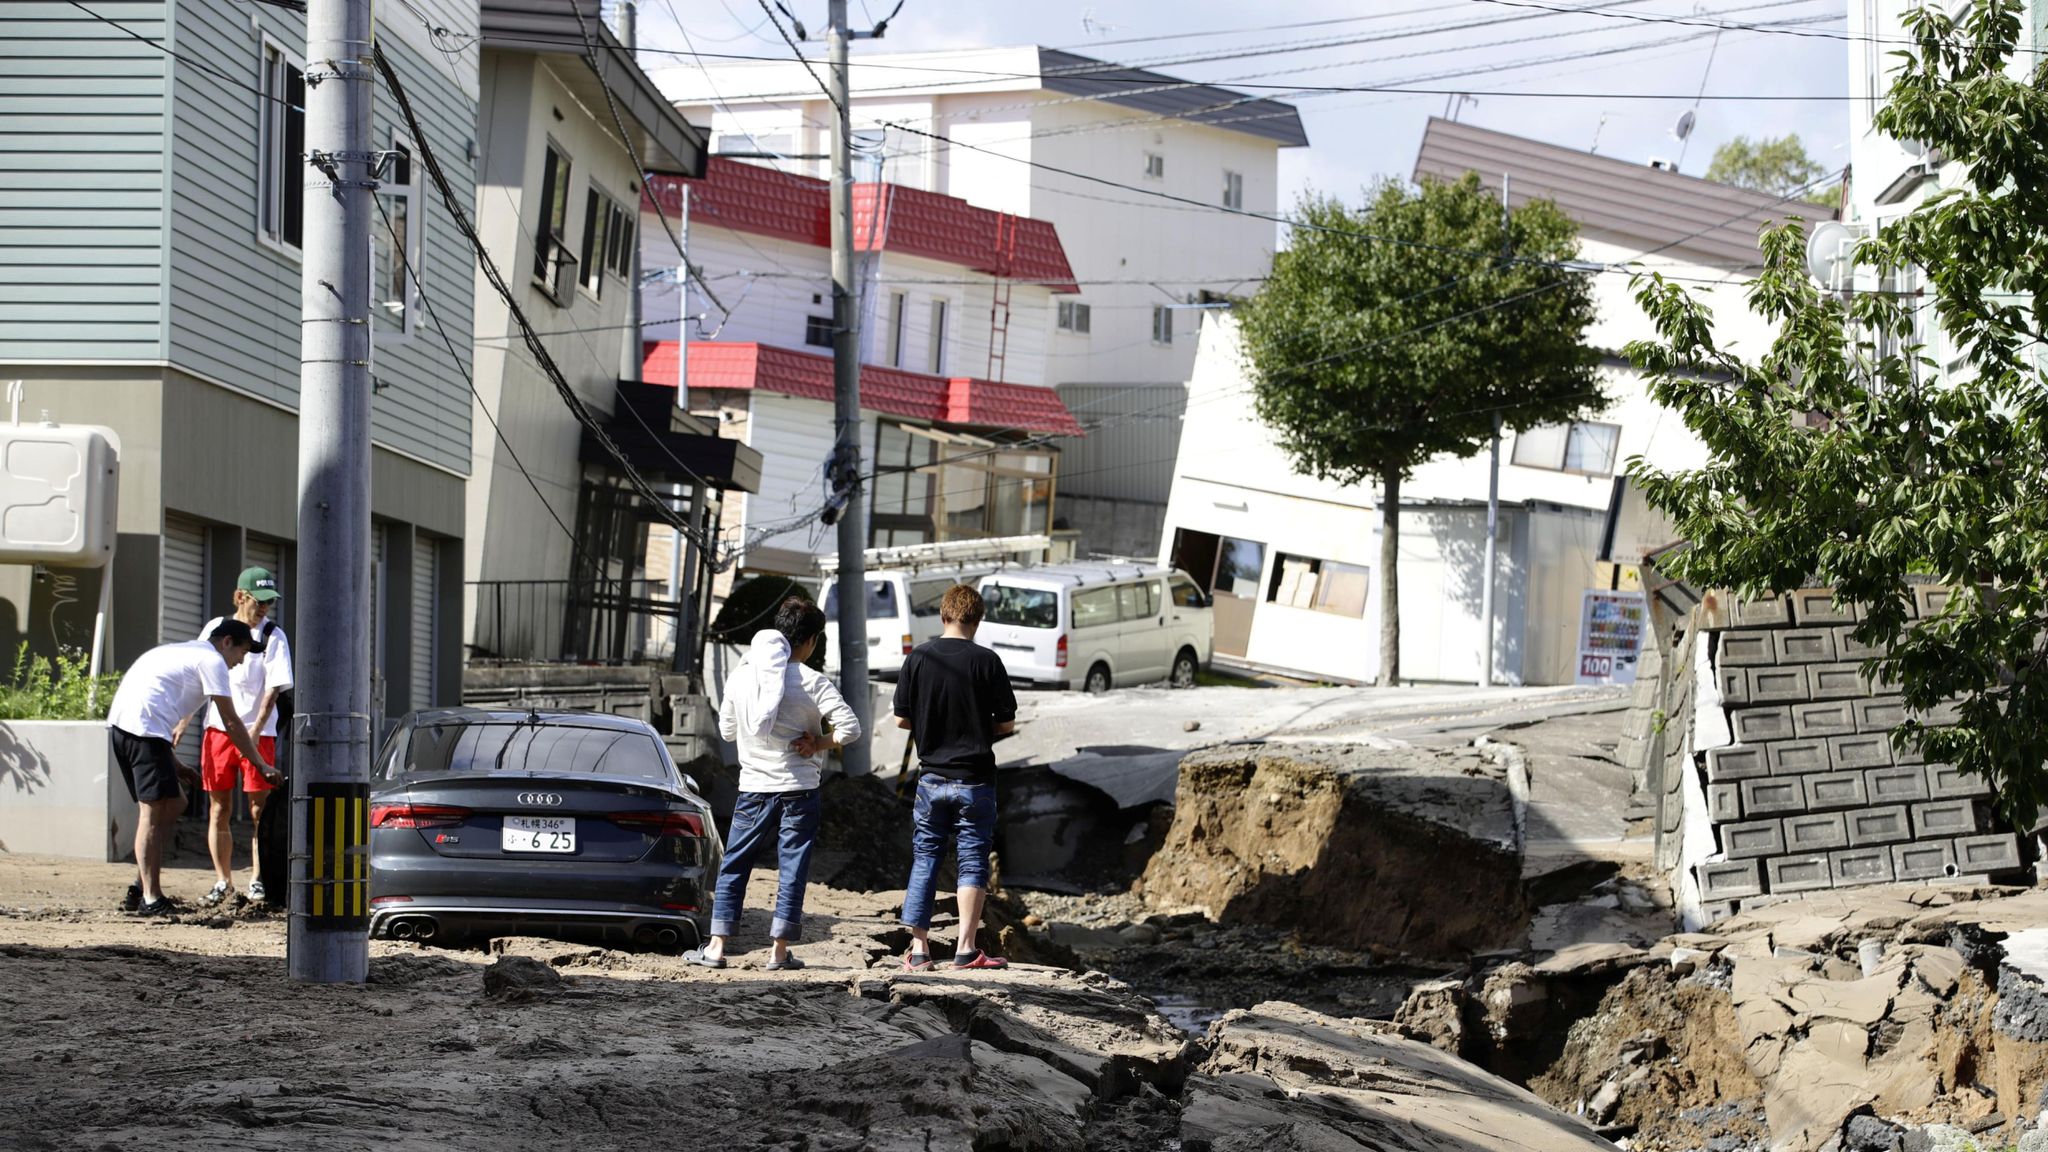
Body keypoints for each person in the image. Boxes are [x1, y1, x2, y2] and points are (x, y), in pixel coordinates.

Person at [688, 597, 861, 971]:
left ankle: (717, 947)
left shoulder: (741, 677)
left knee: (735, 863)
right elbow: (850, 729)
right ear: (811, 640)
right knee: (793, 868)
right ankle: (779, 953)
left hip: (753, 788)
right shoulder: (813, 681)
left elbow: (728, 731)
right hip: (799, 788)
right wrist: (819, 743)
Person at [105, 619, 275, 916]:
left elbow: (155, 707)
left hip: (128, 727)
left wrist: (176, 765)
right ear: (226, 643)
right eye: (242, 652)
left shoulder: (183, 653)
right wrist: (260, 764)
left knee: (175, 803)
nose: (240, 662)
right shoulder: (212, 661)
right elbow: (232, 722)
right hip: (142, 730)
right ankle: (149, 897)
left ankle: (140, 885)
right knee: (153, 810)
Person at [894, 584, 1018, 971]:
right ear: (977, 621)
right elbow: (1007, 723)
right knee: (972, 860)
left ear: (943, 615)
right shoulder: (987, 661)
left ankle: (919, 951)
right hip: (975, 779)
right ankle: (965, 948)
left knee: (926, 856)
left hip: (931, 778)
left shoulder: (917, 658)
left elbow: (901, 718)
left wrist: (930, 725)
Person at [176, 567, 293, 907]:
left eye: (270, 603)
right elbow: (196, 675)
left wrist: (255, 730)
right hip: (218, 729)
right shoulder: (216, 629)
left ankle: (258, 879)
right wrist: (183, 721)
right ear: (241, 597)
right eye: (260, 602)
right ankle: (222, 881)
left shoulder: (274, 636)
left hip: (261, 731)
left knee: (260, 809)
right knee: (219, 807)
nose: (265, 609)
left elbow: (274, 686)